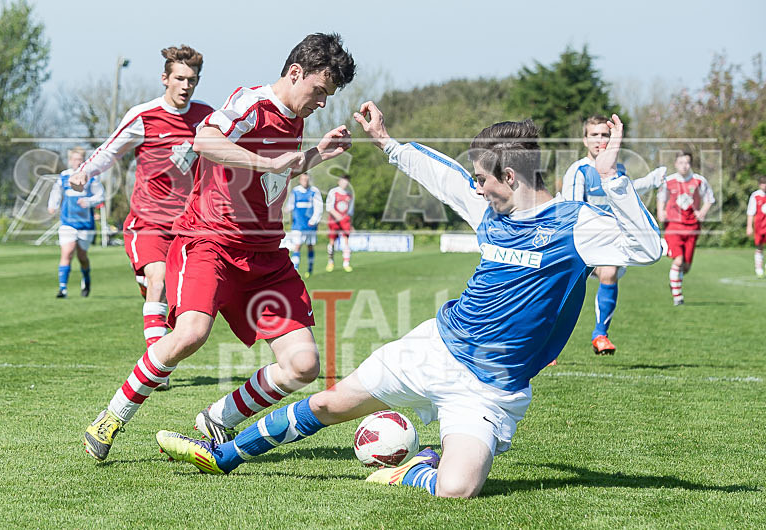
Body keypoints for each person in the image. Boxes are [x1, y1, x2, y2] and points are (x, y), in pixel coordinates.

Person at [155, 102, 661, 498]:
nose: (477, 189)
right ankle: (223, 453)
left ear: (511, 177)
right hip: (436, 348)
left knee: (458, 488)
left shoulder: (575, 225)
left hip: (490, 388)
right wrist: (387, 142)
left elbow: (647, 248)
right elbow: (441, 177)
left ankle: (411, 470)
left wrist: (613, 178)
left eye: (483, 179)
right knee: (331, 402)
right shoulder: (490, 209)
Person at [82, 33, 356, 462]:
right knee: (191, 334)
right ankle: (111, 416)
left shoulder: (296, 119)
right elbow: (205, 140)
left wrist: (316, 155)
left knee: (303, 366)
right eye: (320, 90)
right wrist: (267, 161)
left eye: (329, 95)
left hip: (264, 255)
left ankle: (216, 419)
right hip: (211, 241)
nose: (322, 101)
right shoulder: (251, 102)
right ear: (295, 72)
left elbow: (274, 175)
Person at [70, 45, 214, 362]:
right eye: (180, 78)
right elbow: (110, 150)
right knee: (159, 281)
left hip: (188, 226)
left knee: (180, 302)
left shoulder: (206, 117)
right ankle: (156, 364)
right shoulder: (144, 115)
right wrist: (84, 172)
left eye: (192, 79)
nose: (186, 85)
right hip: (147, 222)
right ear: (165, 78)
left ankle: (148, 290)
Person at [562, 115, 666, 355]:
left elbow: (624, 193)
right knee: (562, 293)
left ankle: (600, 335)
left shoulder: (618, 169)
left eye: (605, 134)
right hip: (579, 240)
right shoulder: (578, 170)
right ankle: (546, 347)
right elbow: (572, 207)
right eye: (594, 135)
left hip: (608, 241)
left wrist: (650, 182)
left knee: (609, 272)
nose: (600, 139)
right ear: (584, 139)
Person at [657, 150, 715, 305]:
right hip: (673, 226)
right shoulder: (669, 181)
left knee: (686, 266)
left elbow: (710, 198)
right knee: (678, 260)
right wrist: (660, 212)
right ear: (676, 164)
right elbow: (661, 197)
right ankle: (678, 297)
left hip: (692, 227)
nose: (684, 166)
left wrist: (702, 212)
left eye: (687, 163)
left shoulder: (698, 181)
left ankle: (674, 282)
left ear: (691, 164)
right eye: (681, 162)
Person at [47, 146, 104, 298]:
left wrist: (88, 201)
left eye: (80, 159)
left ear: (84, 160)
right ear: (70, 160)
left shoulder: (91, 176)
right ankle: (62, 289)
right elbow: (56, 192)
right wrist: (52, 205)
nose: (77, 162)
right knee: (67, 251)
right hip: (67, 222)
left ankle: (86, 280)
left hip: (85, 223)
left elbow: (100, 196)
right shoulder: (64, 176)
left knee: (82, 256)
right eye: (74, 159)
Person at [287, 173, 323, 278]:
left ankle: (310, 269)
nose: (305, 181)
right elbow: (290, 205)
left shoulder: (314, 192)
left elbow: (319, 208)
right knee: (297, 246)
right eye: (303, 179)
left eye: (307, 179)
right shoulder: (295, 191)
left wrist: (314, 220)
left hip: (310, 225)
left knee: (310, 246)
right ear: (300, 180)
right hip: (298, 225)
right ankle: (295, 269)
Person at [325, 174, 354, 272]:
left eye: (347, 181)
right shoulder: (333, 192)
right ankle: (330, 262)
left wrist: (350, 223)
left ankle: (346, 263)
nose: (345, 182)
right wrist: (338, 217)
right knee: (332, 242)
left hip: (345, 221)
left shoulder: (349, 194)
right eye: (343, 180)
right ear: (339, 181)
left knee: (346, 241)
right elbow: (329, 207)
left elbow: (350, 211)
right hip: (334, 221)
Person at [746, 175, 766, 278]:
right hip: (759, 226)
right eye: (763, 183)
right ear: (759, 184)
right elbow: (750, 212)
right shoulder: (755, 196)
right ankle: (759, 269)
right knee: (759, 247)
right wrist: (749, 226)